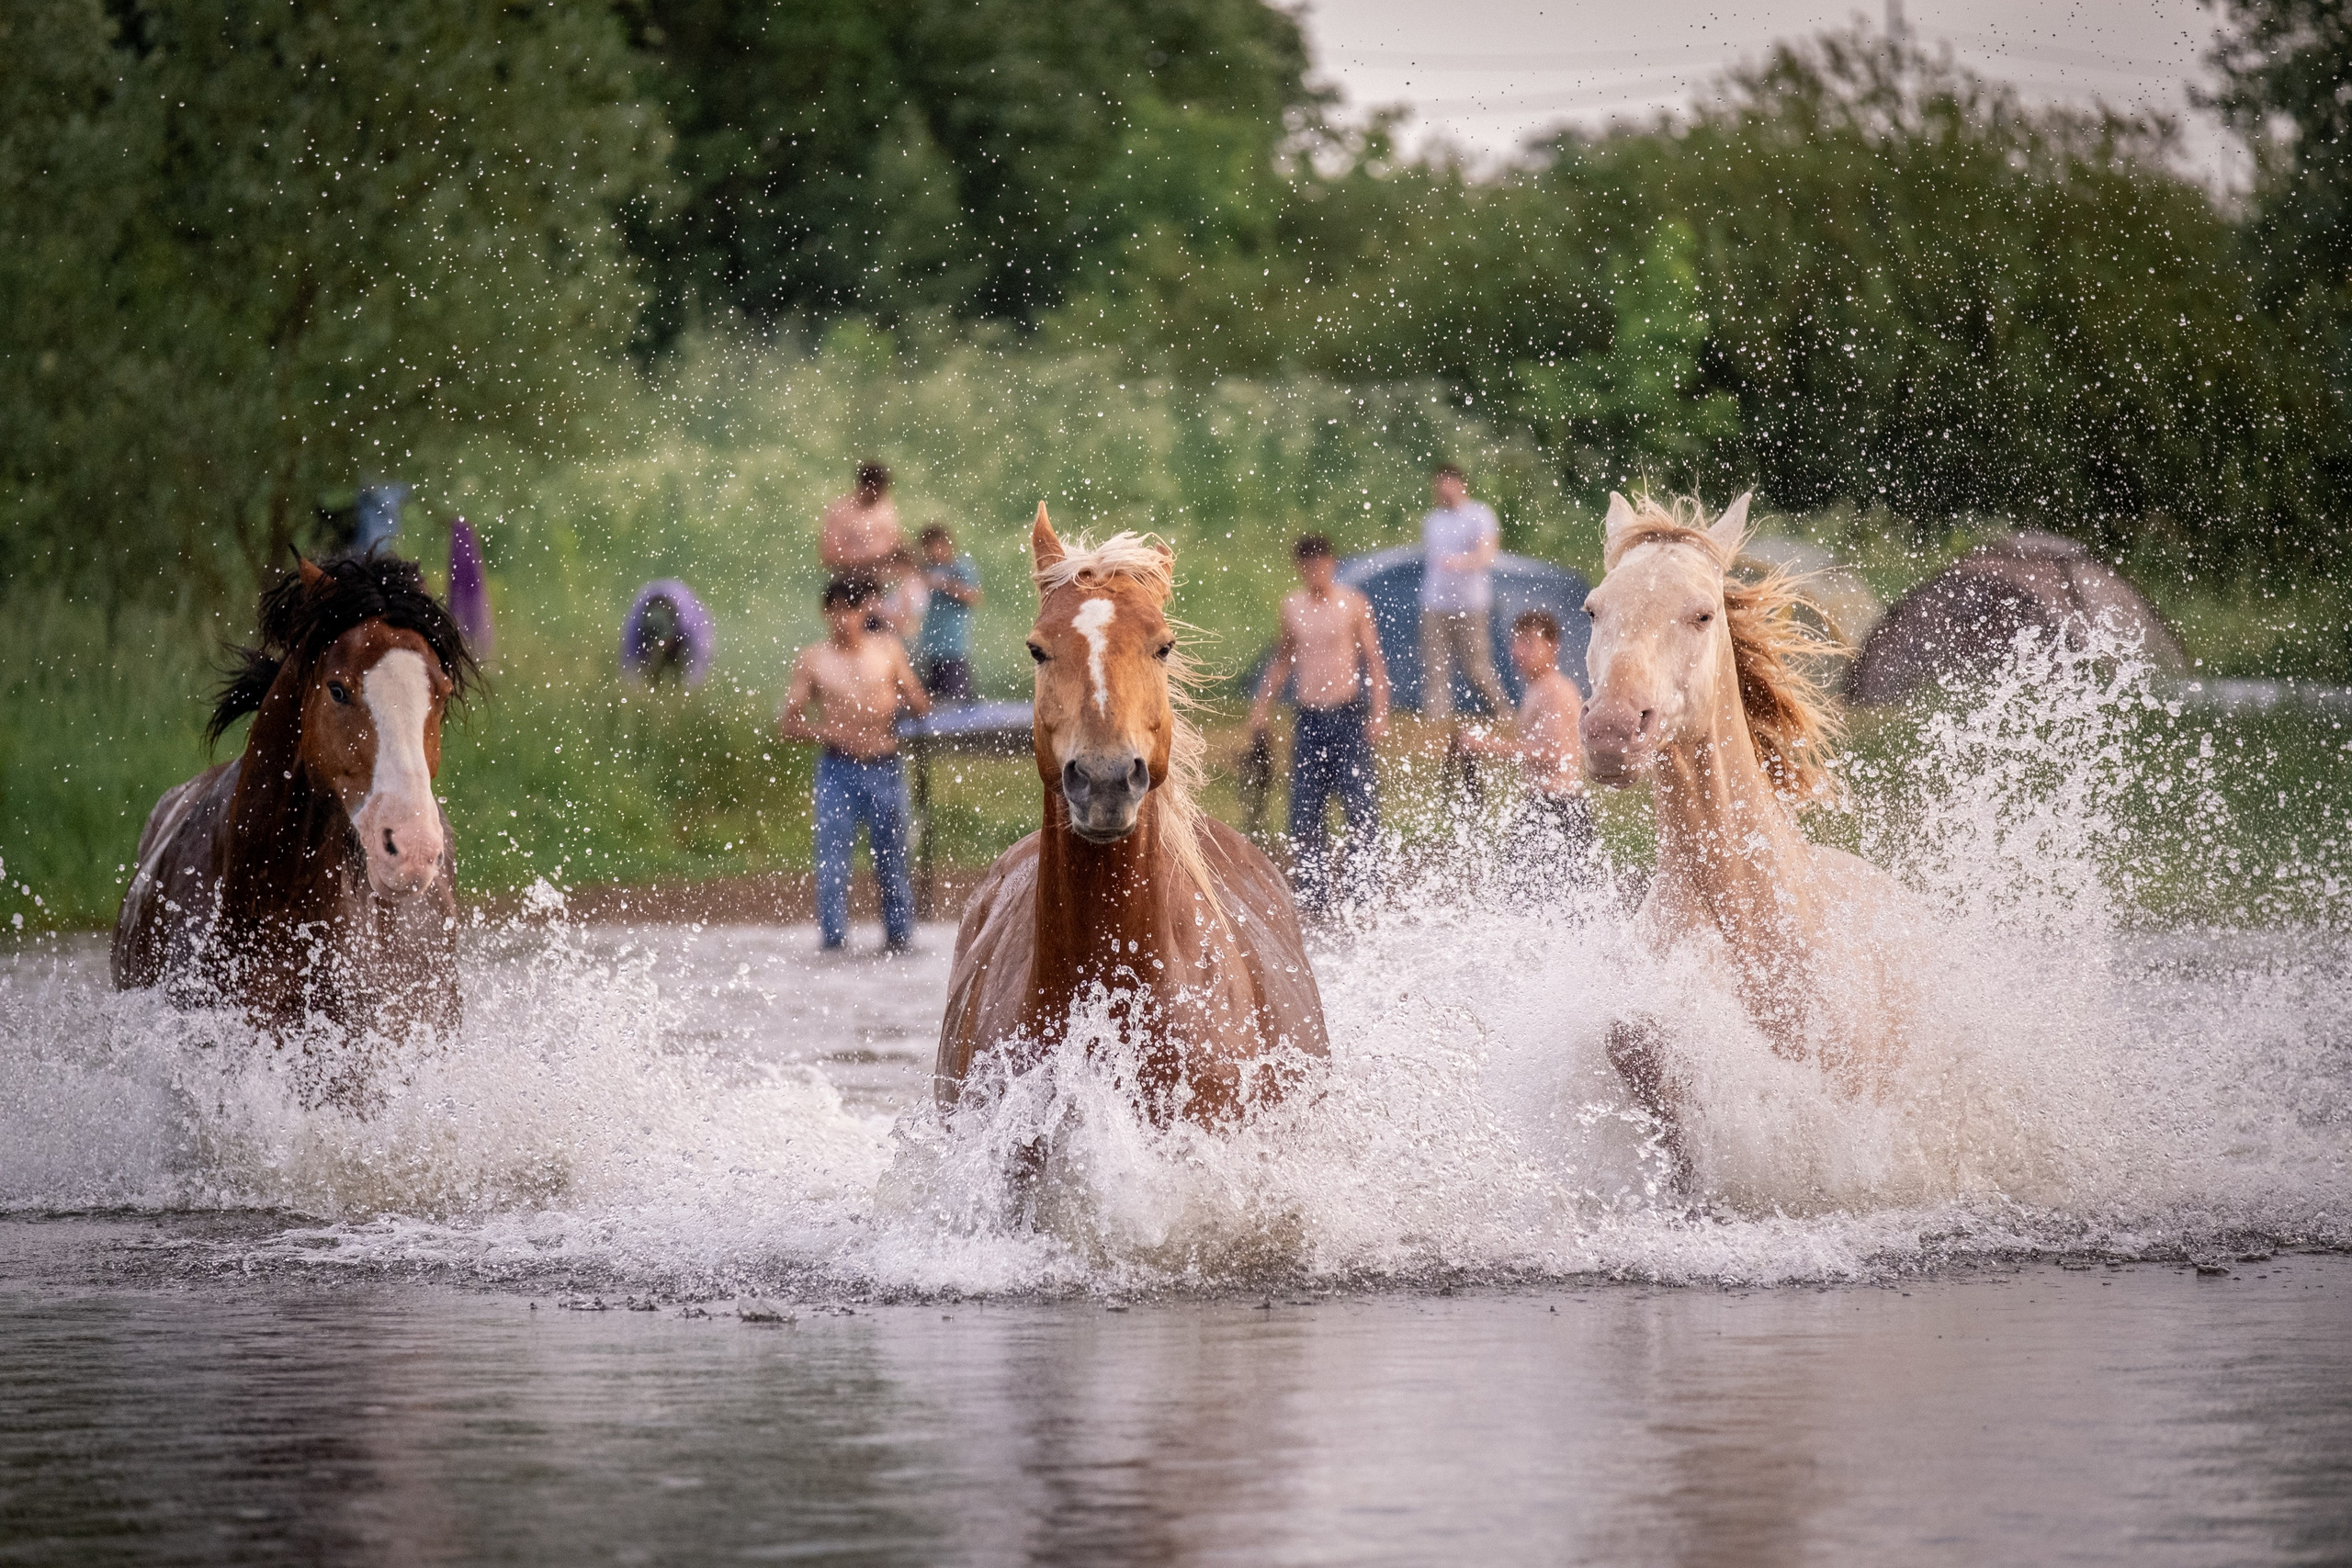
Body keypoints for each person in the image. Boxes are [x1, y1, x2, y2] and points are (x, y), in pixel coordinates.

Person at [780, 576, 931, 953]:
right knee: (832, 865)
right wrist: (828, 732)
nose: (844, 619)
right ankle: (833, 944)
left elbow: (918, 701)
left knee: (893, 862)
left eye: (852, 610)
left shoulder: (889, 650)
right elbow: (789, 723)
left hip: (885, 766)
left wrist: (901, 704)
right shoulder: (813, 659)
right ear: (825, 613)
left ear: (866, 611)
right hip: (837, 770)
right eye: (836, 611)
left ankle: (900, 943)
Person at [1250, 534, 1392, 913]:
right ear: (1301, 568)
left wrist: (1380, 713)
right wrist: (1260, 708)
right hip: (1309, 718)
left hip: (1347, 715)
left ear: (1332, 563)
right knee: (1305, 812)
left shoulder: (1352, 604)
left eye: (1322, 563)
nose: (1316, 571)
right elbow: (1282, 659)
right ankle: (1314, 898)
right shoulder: (1293, 607)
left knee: (1361, 808)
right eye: (1308, 565)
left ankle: (1363, 895)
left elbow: (1374, 662)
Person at [1459, 609, 1597, 897]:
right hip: (1544, 804)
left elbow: (1556, 754)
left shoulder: (1555, 690)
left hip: (1558, 808)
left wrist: (1488, 744)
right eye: (1515, 642)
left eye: (1529, 643)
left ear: (1552, 646)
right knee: (1525, 895)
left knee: (1538, 897)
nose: (1519, 651)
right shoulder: (1537, 688)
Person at [1418, 463, 1512, 724]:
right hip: (1435, 602)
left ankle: (1501, 711)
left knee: (1476, 665)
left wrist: (1459, 562)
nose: (1441, 490)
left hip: (1471, 603)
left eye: (1446, 483)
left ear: (1460, 484)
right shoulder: (1433, 520)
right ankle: (1436, 718)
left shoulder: (1479, 515)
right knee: (1435, 664)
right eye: (1438, 485)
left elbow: (1488, 554)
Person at [912, 523, 983, 701]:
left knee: (957, 701)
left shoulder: (960, 566)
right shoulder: (924, 569)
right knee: (931, 700)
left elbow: (974, 596)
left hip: (954, 648)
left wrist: (944, 584)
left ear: (946, 544)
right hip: (929, 648)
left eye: (936, 546)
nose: (933, 552)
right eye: (928, 547)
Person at [820, 460, 902, 576]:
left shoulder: (885, 504)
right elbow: (829, 556)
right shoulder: (840, 510)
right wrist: (873, 560)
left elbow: (894, 538)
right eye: (877, 491)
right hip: (850, 579)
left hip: (883, 578)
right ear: (866, 487)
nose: (881, 495)